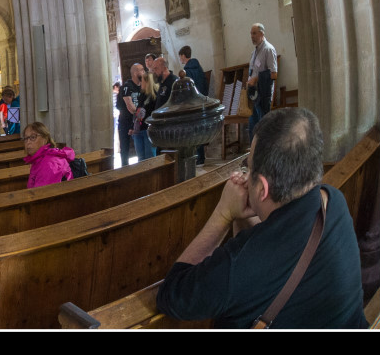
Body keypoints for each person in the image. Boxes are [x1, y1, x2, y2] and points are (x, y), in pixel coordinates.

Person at [156, 108, 365, 328]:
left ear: (263, 188)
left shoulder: (239, 267)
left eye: (249, 167)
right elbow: (276, 248)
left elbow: (172, 294)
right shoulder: (333, 201)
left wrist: (223, 213)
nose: (246, 174)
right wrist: (243, 217)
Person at [246, 23, 278, 142]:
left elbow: (273, 74)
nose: (252, 36)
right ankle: (254, 154)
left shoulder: (268, 49)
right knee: (253, 126)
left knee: (263, 126)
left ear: (262, 33)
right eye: (251, 33)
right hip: (254, 94)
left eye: (254, 33)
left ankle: (264, 153)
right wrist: (250, 80)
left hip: (263, 94)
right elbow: (253, 71)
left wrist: (256, 79)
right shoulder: (254, 52)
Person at [21, 121, 75, 188]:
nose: (28, 142)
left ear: (45, 139)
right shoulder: (39, 159)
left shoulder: (49, 164)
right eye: (26, 138)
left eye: (33, 137)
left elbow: (41, 195)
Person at [130, 73, 160, 160]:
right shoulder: (142, 95)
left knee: (150, 157)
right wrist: (132, 127)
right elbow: (138, 111)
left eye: (142, 81)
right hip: (138, 129)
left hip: (148, 130)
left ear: (147, 82)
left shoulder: (154, 96)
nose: (140, 83)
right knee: (141, 158)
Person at [118, 64, 143, 164]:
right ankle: (125, 170)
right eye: (142, 70)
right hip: (126, 122)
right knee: (125, 149)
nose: (144, 72)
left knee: (141, 149)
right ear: (135, 72)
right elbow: (130, 106)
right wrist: (141, 114)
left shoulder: (143, 86)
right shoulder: (127, 86)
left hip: (137, 122)